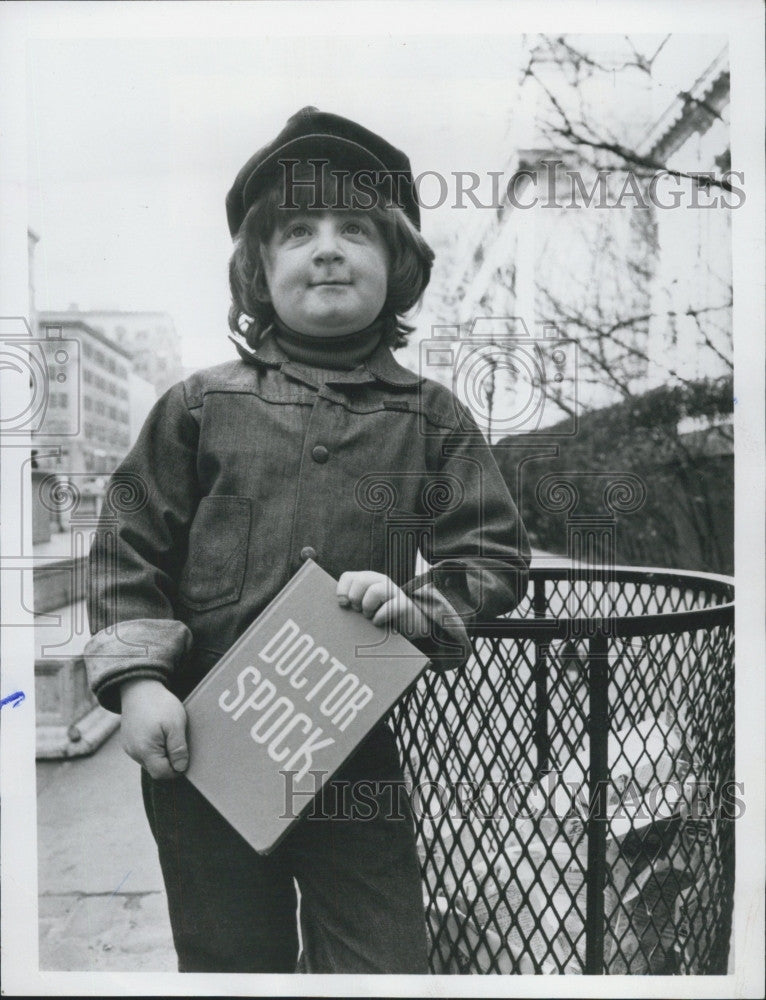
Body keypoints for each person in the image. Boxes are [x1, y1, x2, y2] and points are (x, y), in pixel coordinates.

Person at [84, 106, 530, 974]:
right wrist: (138, 683)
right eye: (297, 231)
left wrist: (419, 607)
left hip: (352, 754)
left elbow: (493, 553)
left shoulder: (433, 419)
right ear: (257, 269)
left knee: (381, 961)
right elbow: (127, 547)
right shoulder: (197, 407)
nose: (327, 247)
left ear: (398, 263)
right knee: (229, 962)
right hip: (200, 755)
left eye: (355, 229)